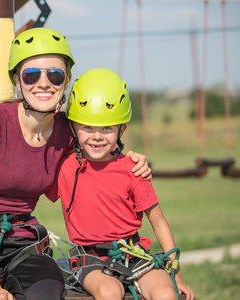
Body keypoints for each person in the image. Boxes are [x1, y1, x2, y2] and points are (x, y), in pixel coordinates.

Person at [0, 28, 150, 300]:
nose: (43, 83)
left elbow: (100, 151)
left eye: (55, 74)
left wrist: (131, 159)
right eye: (31, 75)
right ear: (17, 79)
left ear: (66, 80)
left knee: (46, 295)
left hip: (23, 244)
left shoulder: (67, 129)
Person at [45, 68, 195, 300]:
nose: (97, 136)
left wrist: (175, 273)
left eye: (107, 128)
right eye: (88, 127)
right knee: (109, 292)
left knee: (166, 294)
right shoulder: (65, 166)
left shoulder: (133, 169)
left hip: (133, 253)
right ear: (73, 126)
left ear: (121, 129)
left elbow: (159, 224)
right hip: (90, 258)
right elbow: (27, 177)